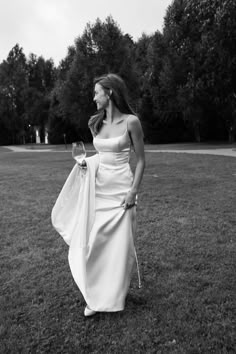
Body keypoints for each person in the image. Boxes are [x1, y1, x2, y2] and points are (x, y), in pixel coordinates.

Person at [52, 73, 145, 317]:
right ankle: (95, 294)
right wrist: (86, 164)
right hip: (101, 190)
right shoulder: (97, 123)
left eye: (97, 92)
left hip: (123, 191)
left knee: (121, 246)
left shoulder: (131, 122)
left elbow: (142, 160)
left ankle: (115, 294)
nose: (94, 97)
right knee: (93, 242)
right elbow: (101, 157)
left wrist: (133, 192)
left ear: (110, 93)